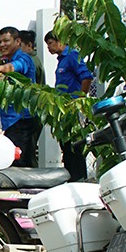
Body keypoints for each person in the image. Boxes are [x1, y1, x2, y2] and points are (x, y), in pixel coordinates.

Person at [0, 25, 41, 167]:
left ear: (18, 42)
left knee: (20, 162)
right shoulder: (6, 60)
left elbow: (15, 66)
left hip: (22, 119)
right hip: (11, 121)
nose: (1, 45)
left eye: (6, 41)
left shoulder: (24, 58)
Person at [46, 30, 96, 179]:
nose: (48, 47)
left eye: (50, 43)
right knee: (66, 147)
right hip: (64, 109)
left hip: (73, 109)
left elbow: (86, 76)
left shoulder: (72, 55)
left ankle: (79, 178)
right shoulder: (61, 60)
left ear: (60, 41)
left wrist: (80, 99)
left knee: (74, 147)